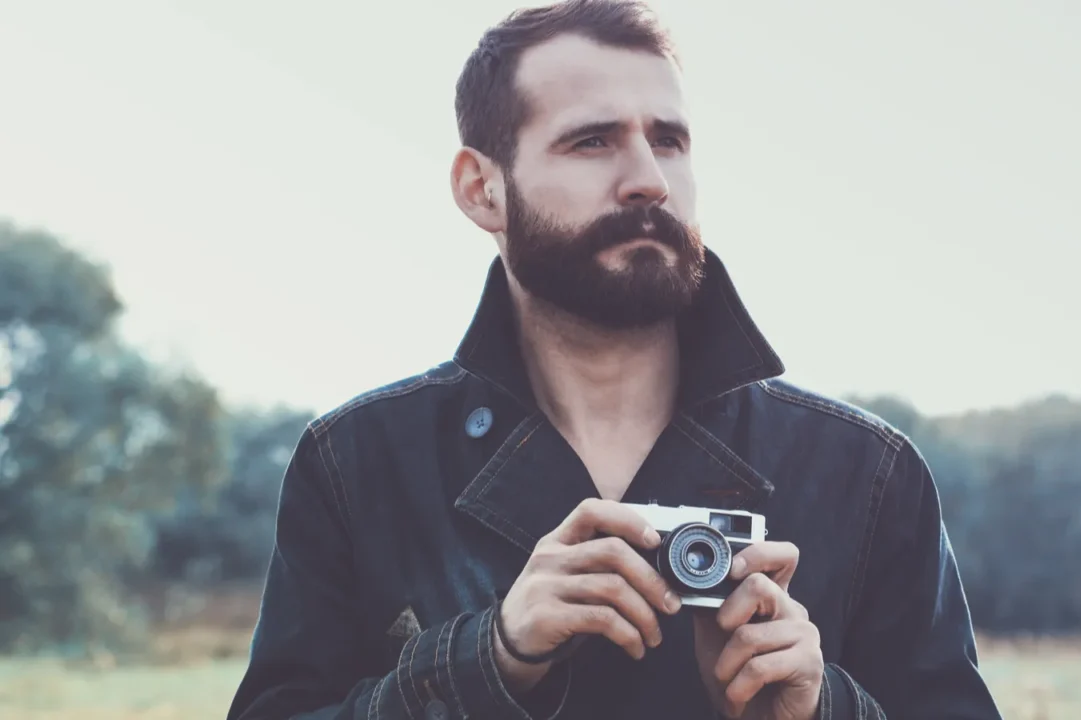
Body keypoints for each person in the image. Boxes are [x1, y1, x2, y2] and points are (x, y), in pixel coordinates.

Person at [226, 1, 1004, 718]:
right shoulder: (359, 464)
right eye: (592, 141)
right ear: (481, 189)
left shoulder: (864, 473)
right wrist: (488, 658)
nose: (649, 181)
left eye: (669, 140)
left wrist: (820, 704)